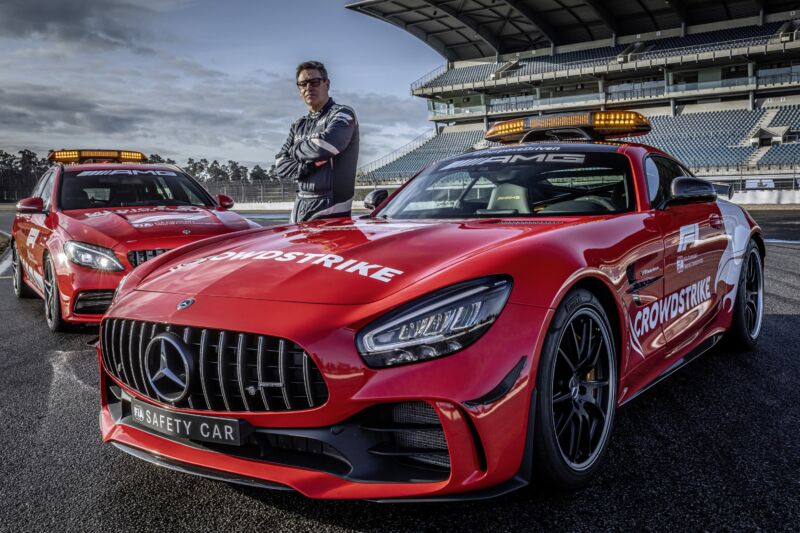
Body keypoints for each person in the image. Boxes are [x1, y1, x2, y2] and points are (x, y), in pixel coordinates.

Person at [275, 61, 359, 223]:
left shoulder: (343, 113)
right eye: (302, 84)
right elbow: (280, 163)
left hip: (331, 208)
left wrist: (294, 150)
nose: (308, 88)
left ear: (326, 84)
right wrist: (306, 167)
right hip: (299, 208)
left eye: (314, 82)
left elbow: (327, 145)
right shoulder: (298, 124)